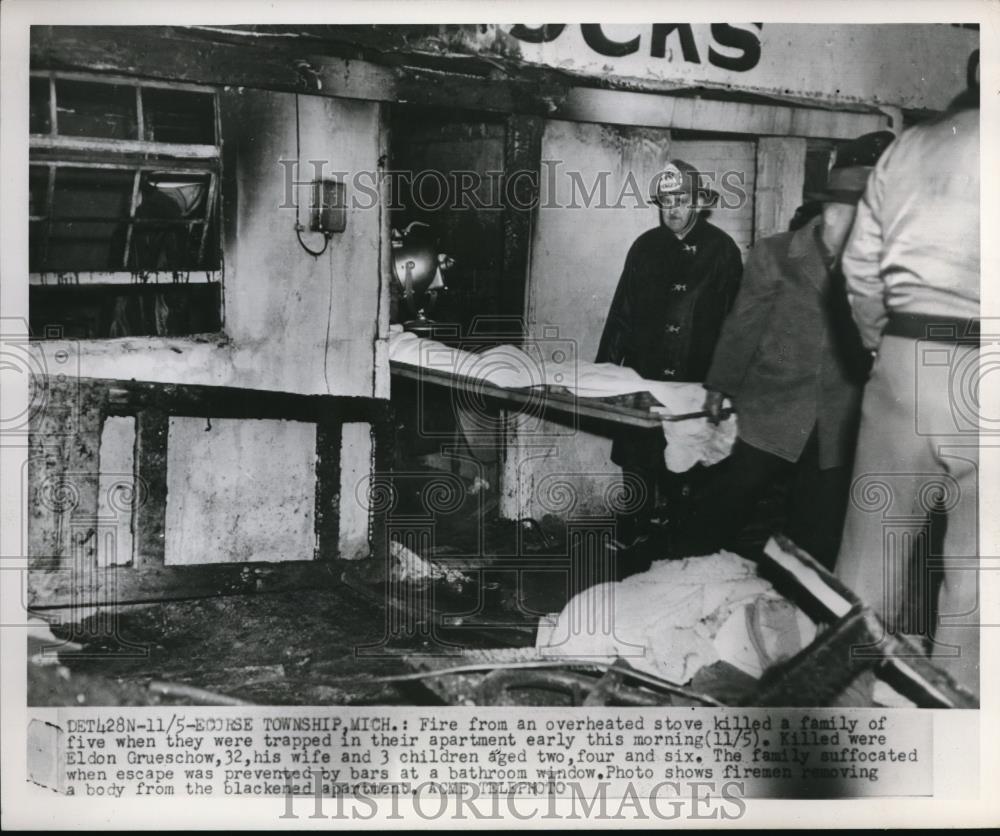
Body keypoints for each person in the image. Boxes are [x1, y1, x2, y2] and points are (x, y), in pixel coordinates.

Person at [834, 90, 980, 700]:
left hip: (905, 358)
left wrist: (883, 349)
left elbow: (858, 267)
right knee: (979, 580)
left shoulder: (911, 146)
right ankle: (960, 733)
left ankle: (836, 718)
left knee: (868, 563)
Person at [693, 131, 896, 569]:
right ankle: (679, 580)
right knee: (720, 510)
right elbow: (742, 327)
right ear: (826, 207)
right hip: (770, 406)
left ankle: (796, 616)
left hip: (838, 422)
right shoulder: (776, 254)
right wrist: (720, 386)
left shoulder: (884, 265)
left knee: (816, 534)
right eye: (848, 210)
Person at [595, 159, 743, 567]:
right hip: (645, 375)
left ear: (698, 203)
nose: (673, 209)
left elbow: (737, 322)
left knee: (687, 469)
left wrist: (727, 382)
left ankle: (685, 552)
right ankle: (631, 541)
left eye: (681, 200)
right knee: (638, 462)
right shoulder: (645, 247)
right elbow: (621, 314)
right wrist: (603, 375)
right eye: (666, 202)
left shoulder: (722, 252)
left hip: (696, 381)